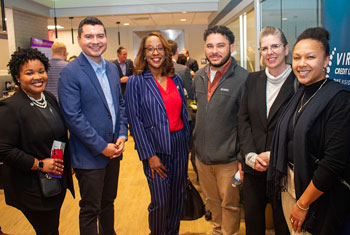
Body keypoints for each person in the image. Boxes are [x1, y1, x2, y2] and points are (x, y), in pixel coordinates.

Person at [267, 27, 350, 235]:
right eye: (297, 58)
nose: (301, 63)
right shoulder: (299, 93)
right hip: (290, 185)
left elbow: (333, 163)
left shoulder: (339, 99)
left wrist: (303, 204)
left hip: (317, 196)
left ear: (326, 61)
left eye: (310, 57)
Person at [58, 16, 128, 235]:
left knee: (108, 202)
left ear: (106, 38)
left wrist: (123, 135)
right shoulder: (70, 72)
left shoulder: (112, 68)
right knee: (90, 209)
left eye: (99, 35)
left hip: (114, 151)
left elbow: (120, 105)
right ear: (79, 40)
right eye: (89, 36)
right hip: (89, 156)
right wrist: (101, 146)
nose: (95, 41)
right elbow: (73, 117)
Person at [0, 48, 74, 235]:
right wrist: (39, 164)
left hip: (54, 183)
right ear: (17, 77)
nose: (37, 77)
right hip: (31, 188)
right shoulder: (11, 108)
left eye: (41, 71)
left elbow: (58, 135)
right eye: (29, 73)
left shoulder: (48, 98)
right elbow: (4, 149)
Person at [125, 32, 190, 235]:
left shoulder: (176, 79)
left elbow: (183, 112)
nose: (155, 52)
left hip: (179, 144)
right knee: (160, 201)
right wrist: (149, 155)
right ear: (144, 53)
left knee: (177, 197)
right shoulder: (136, 81)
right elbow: (134, 121)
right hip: (155, 149)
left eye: (159, 48)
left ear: (166, 52)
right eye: (150, 48)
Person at [237, 26, 293, 235]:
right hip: (253, 169)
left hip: (284, 171)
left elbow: (298, 129)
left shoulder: (298, 83)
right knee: (253, 225)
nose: (270, 52)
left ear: (286, 49)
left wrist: (274, 154)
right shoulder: (252, 80)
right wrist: (249, 155)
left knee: (284, 226)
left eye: (275, 46)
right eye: (264, 48)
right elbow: (243, 121)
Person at [193, 25, 248, 235]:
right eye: (210, 46)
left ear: (231, 47)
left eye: (220, 45)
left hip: (229, 161)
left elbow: (246, 123)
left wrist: (242, 158)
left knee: (230, 206)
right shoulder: (199, 76)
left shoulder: (243, 78)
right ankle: (217, 231)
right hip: (202, 159)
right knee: (212, 203)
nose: (214, 51)